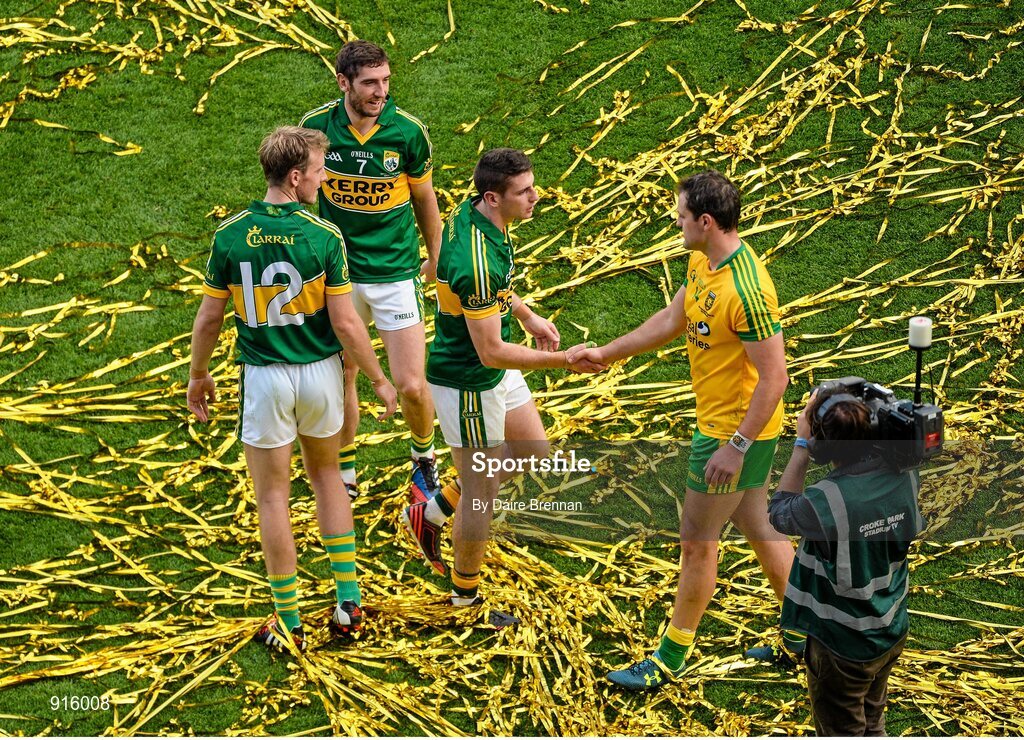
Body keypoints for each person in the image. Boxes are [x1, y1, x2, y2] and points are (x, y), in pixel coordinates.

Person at [568, 170, 793, 689]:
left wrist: (735, 447)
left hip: (732, 433)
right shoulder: (702, 261)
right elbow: (671, 320)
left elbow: (775, 378)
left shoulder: (747, 291)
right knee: (759, 529)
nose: (676, 222)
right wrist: (606, 353)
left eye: (681, 216)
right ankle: (805, 634)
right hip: (729, 429)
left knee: (697, 542)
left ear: (706, 222)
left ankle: (669, 658)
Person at [187, 126, 398, 652]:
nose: (324, 181)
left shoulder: (229, 236)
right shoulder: (325, 238)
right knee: (327, 476)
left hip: (265, 378)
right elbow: (348, 325)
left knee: (273, 496)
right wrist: (377, 378)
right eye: (321, 172)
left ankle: (289, 622)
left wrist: (197, 374)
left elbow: (211, 317)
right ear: (296, 176)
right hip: (321, 374)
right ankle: (348, 605)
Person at [401, 148, 603, 622]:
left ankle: (431, 511)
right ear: (493, 197)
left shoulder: (477, 218)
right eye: (524, 191)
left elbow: (490, 290)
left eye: (532, 185)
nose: (536, 196)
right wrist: (561, 360)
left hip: (489, 368)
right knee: (481, 495)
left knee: (534, 451)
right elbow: (490, 349)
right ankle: (464, 599)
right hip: (470, 380)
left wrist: (527, 313)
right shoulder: (477, 261)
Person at [300, 40, 443, 504]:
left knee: (412, 385)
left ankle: (424, 459)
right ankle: (344, 473)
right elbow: (300, 193)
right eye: (369, 83)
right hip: (337, 277)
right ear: (343, 83)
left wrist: (437, 256)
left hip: (394, 272)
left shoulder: (406, 132)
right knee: (341, 376)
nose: (380, 91)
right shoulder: (315, 129)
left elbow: (425, 198)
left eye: (385, 81)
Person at [768, 389, 923, 736]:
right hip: (889, 627)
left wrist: (800, 444)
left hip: (842, 644)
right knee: (871, 716)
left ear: (823, 448)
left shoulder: (826, 501)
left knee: (842, 728)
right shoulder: (906, 473)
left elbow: (779, 513)